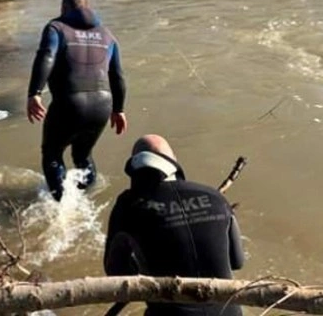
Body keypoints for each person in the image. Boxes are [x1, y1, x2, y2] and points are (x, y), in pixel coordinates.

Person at [104, 134, 245, 316]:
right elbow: (237, 262)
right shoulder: (214, 197)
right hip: (230, 312)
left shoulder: (128, 205)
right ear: (174, 163)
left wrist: (142, 261)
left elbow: (116, 273)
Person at [27, 0, 127, 202]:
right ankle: (85, 200)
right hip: (102, 104)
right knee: (83, 155)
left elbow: (47, 55)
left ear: (64, 9)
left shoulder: (57, 28)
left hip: (69, 102)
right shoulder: (107, 35)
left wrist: (34, 93)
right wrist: (119, 110)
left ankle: (60, 205)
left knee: (53, 154)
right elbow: (117, 75)